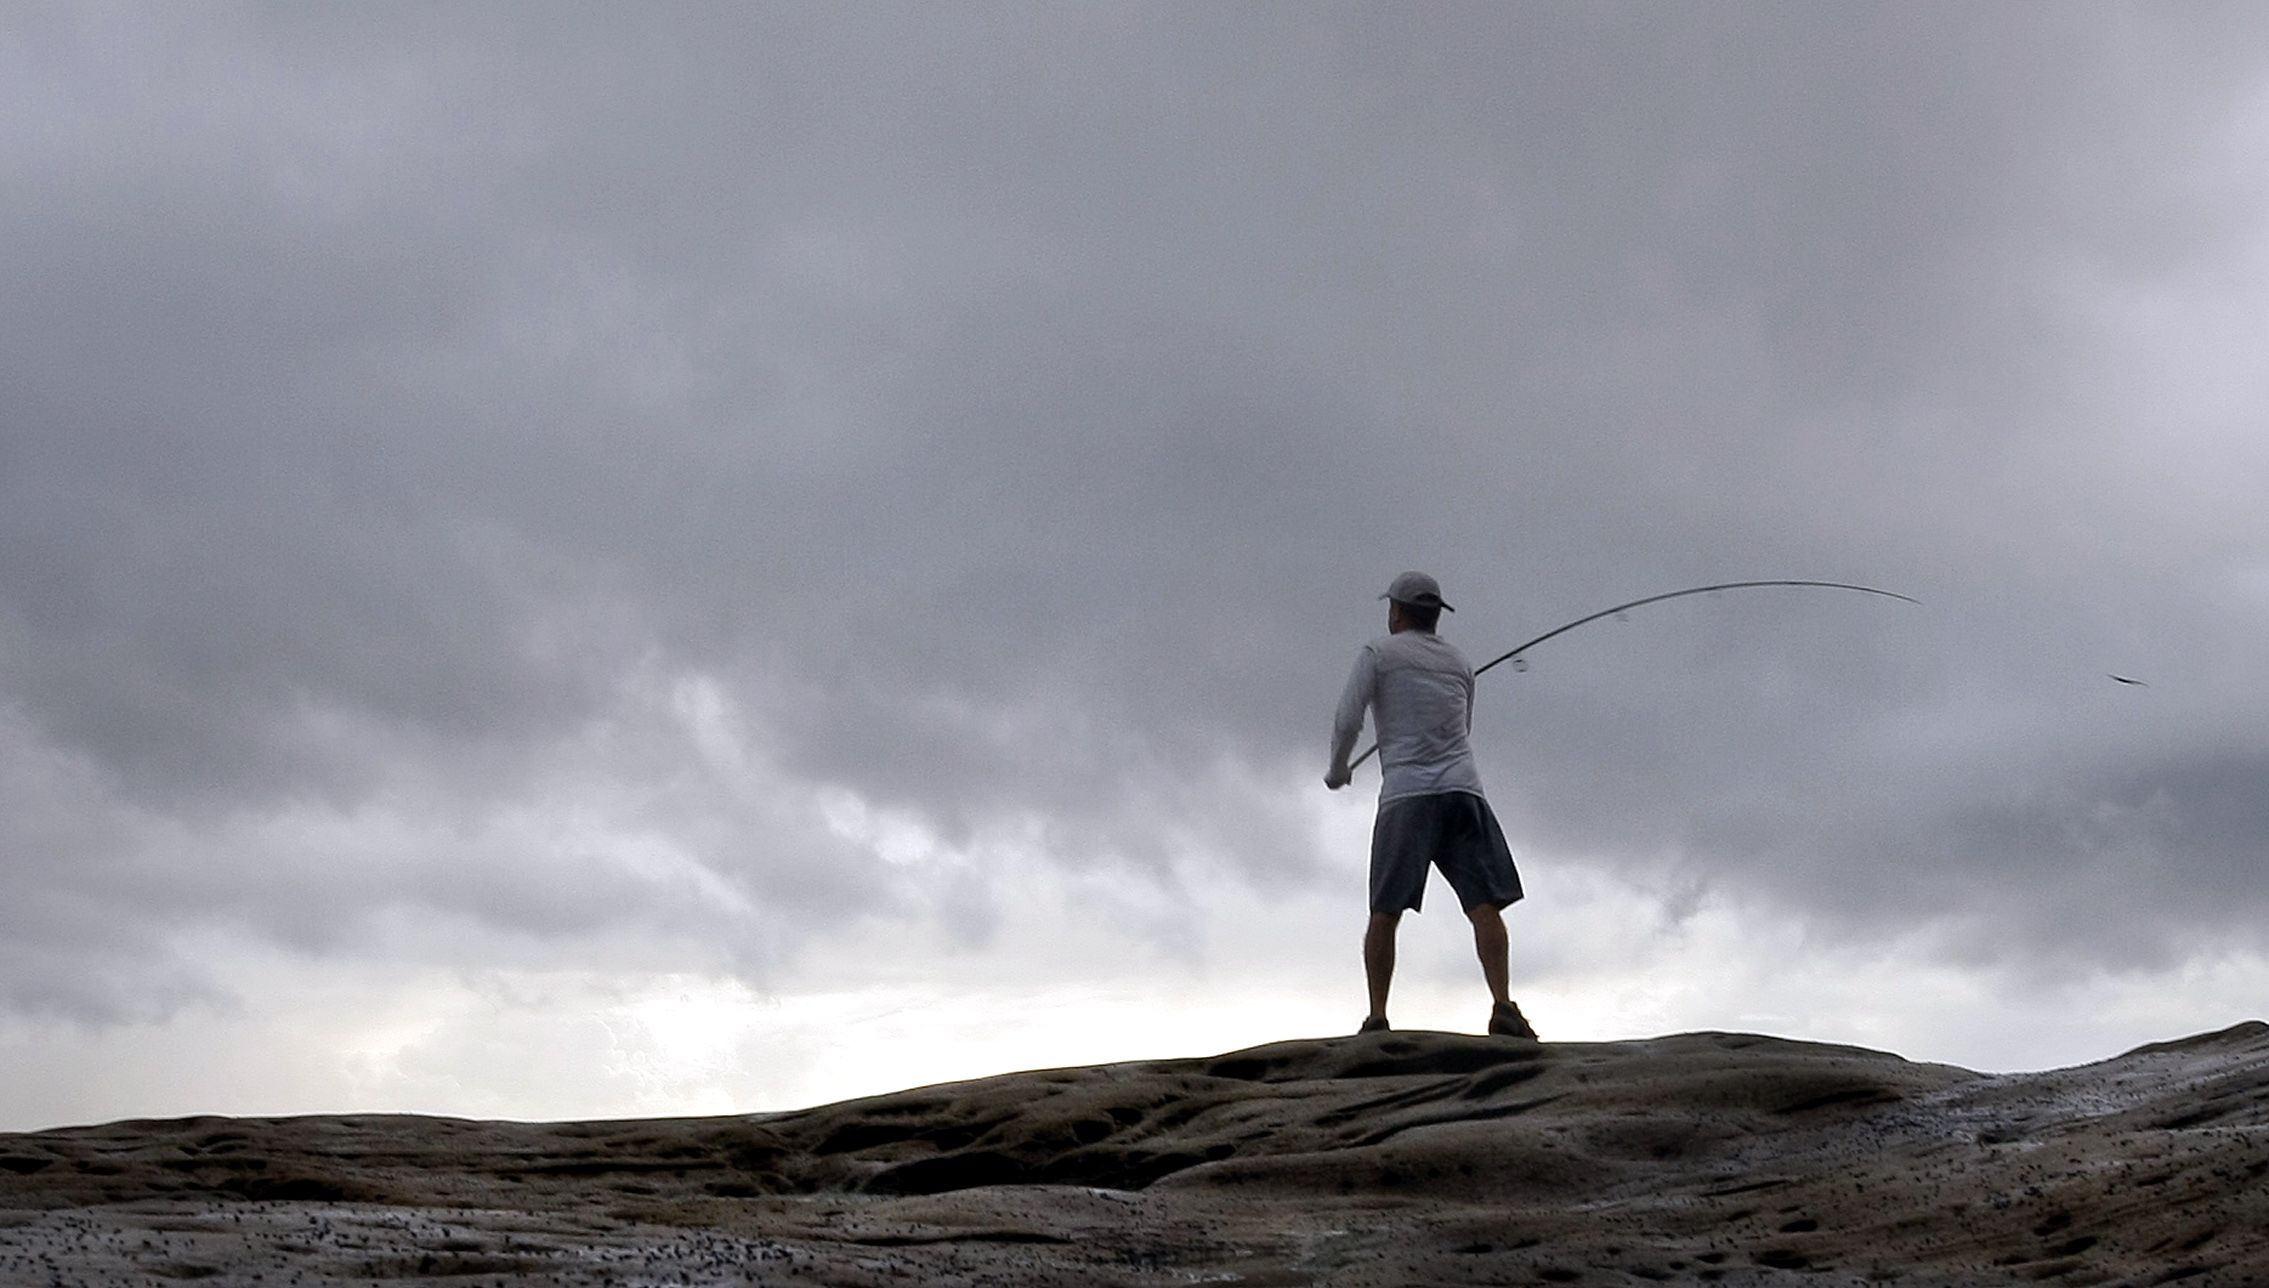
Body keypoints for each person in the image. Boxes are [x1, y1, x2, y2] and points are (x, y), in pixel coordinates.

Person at [1325, 571, 1535, 1039]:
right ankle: (1503, 1005)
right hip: (1464, 791)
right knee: (1484, 905)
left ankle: (1378, 1017)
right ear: (1437, 616)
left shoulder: (1378, 654)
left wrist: (1338, 770)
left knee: (1385, 909)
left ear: (1396, 611)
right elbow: (1464, 728)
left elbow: (1347, 719)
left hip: (1407, 796)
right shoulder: (1460, 663)